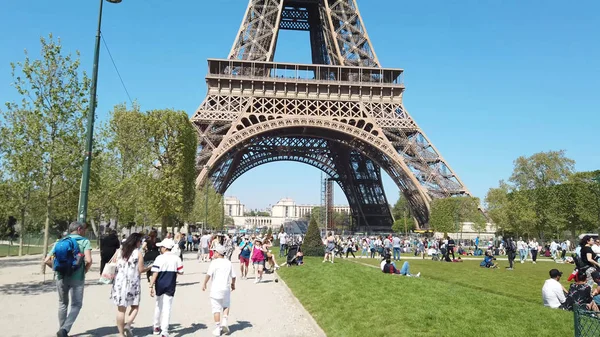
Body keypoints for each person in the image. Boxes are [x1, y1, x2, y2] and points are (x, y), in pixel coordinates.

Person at [43, 221, 92, 337]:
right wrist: (83, 271)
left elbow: (46, 260)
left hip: (61, 277)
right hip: (77, 278)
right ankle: (65, 329)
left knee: (62, 303)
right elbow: (89, 260)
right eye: (84, 229)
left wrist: (57, 269)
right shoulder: (84, 241)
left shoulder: (60, 242)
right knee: (76, 305)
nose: (85, 232)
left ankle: (62, 329)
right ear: (79, 229)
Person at [111, 233, 149, 337]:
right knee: (135, 306)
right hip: (133, 283)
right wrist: (149, 267)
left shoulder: (119, 251)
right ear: (136, 242)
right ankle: (128, 324)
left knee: (121, 309)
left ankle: (120, 333)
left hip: (119, 283)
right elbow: (141, 269)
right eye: (140, 241)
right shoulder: (138, 253)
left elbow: (114, 263)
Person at [149, 238, 184, 337]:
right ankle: (164, 331)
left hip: (160, 283)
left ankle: (156, 327)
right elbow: (181, 271)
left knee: (158, 305)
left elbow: (155, 272)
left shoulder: (159, 258)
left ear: (164, 248)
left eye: (161, 247)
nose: (160, 249)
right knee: (167, 307)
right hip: (170, 283)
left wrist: (151, 285)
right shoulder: (176, 258)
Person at [203, 245, 236, 336]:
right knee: (226, 305)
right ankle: (224, 320)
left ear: (218, 253)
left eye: (214, 252)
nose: (213, 253)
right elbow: (233, 276)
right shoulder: (228, 262)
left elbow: (208, 274)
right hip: (225, 288)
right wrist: (233, 284)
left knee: (216, 308)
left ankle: (218, 328)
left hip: (215, 289)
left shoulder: (214, 263)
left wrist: (204, 283)